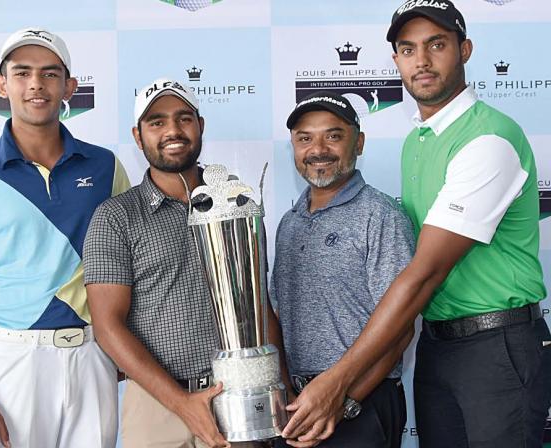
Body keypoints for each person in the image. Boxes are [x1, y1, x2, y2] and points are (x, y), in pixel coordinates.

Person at [282, 2, 551, 447]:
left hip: (497, 345)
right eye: (408, 50)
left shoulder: (488, 139)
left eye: (436, 45)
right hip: (439, 347)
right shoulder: (418, 141)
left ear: (465, 50)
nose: (421, 61)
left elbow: (425, 271)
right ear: (396, 62)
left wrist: (339, 381)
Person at [0, 28, 130, 448]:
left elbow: (130, 265)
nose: (36, 84)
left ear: (69, 87)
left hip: (94, 354)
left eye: (49, 73)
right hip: (12, 359)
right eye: (21, 73)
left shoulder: (105, 165)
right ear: (1, 84)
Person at [83, 77, 285, 448]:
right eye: (156, 121)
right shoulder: (116, 217)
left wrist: (279, 388)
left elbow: (258, 304)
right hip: (158, 405)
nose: (172, 130)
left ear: (200, 124)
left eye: (183, 118)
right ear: (138, 134)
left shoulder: (236, 202)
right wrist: (182, 403)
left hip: (241, 396)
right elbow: (107, 326)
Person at [272, 91, 414, 448]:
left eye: (333, 135)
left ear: (359, 142)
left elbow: (401, 329)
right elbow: (278, 317)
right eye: (305, 138)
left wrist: (345, 402)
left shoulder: (381, 216)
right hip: (298, 407)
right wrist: (289, 391)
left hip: (362, 406)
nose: (318, 149)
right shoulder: (288, 224)